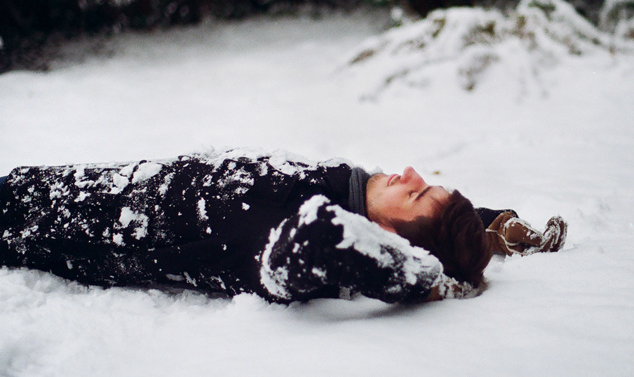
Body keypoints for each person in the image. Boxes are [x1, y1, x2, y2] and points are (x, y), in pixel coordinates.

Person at [0, 149, 566, 304]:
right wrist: (494, 225)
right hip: (105, 181)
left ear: (391, 239)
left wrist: (423, 277)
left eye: (415, 192)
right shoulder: (343, 192)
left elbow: (315, 245)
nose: (410, 172)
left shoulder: (301, 240)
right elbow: (433, 225)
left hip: (61, 223)